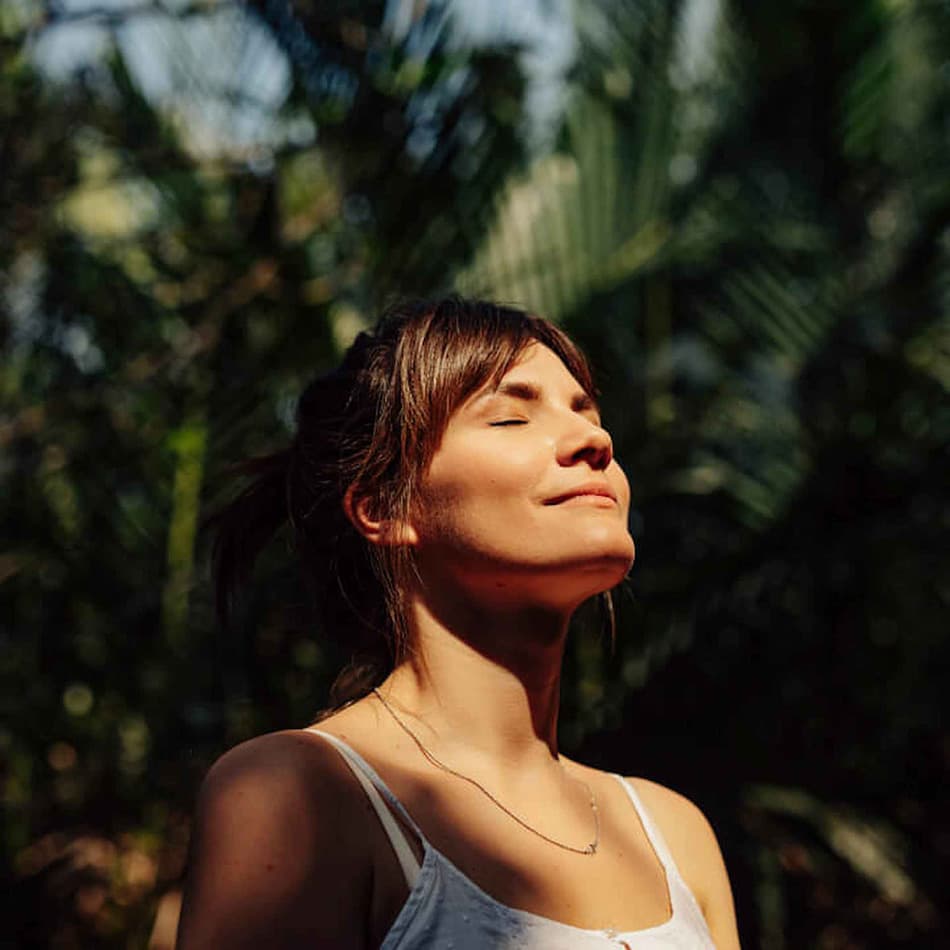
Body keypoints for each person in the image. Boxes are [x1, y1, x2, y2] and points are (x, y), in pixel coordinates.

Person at [176, 296, 741, 949]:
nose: (596, 440)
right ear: (385, 508)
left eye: (586, 411)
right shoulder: (301, 794)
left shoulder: (675, 836)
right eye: (509, 417)